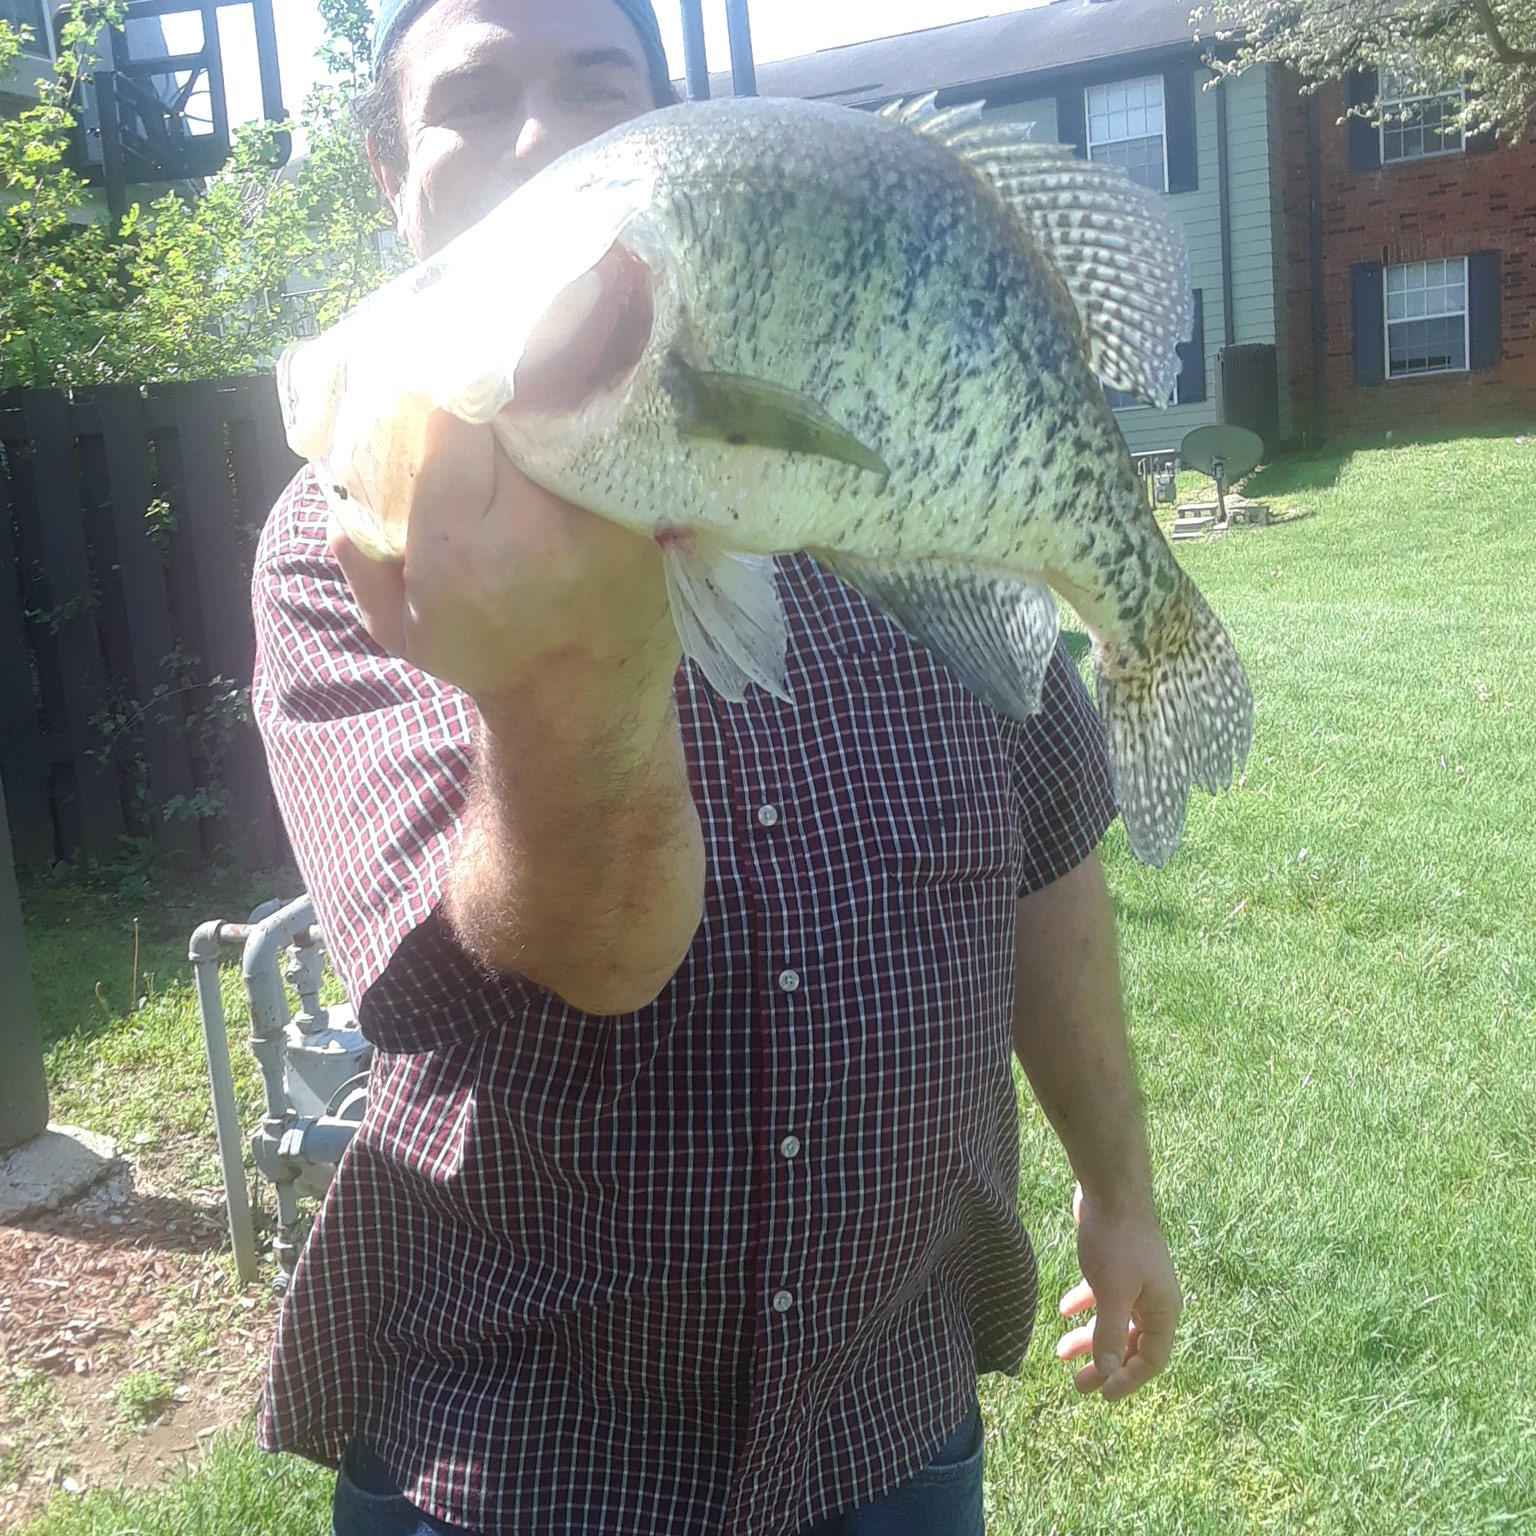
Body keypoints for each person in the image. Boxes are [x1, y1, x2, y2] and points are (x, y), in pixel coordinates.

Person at [249, 2, 1183, 1533]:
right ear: (388, 174)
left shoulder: (868, 450)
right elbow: (597, 952)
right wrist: (575, 668)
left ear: (662, 158)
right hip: (521, 1466)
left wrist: (1120, 1187)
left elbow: (1047, 844)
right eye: (474, 102)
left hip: (892, 1424)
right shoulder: (358, 544)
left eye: (598, 91)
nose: (544, 133)